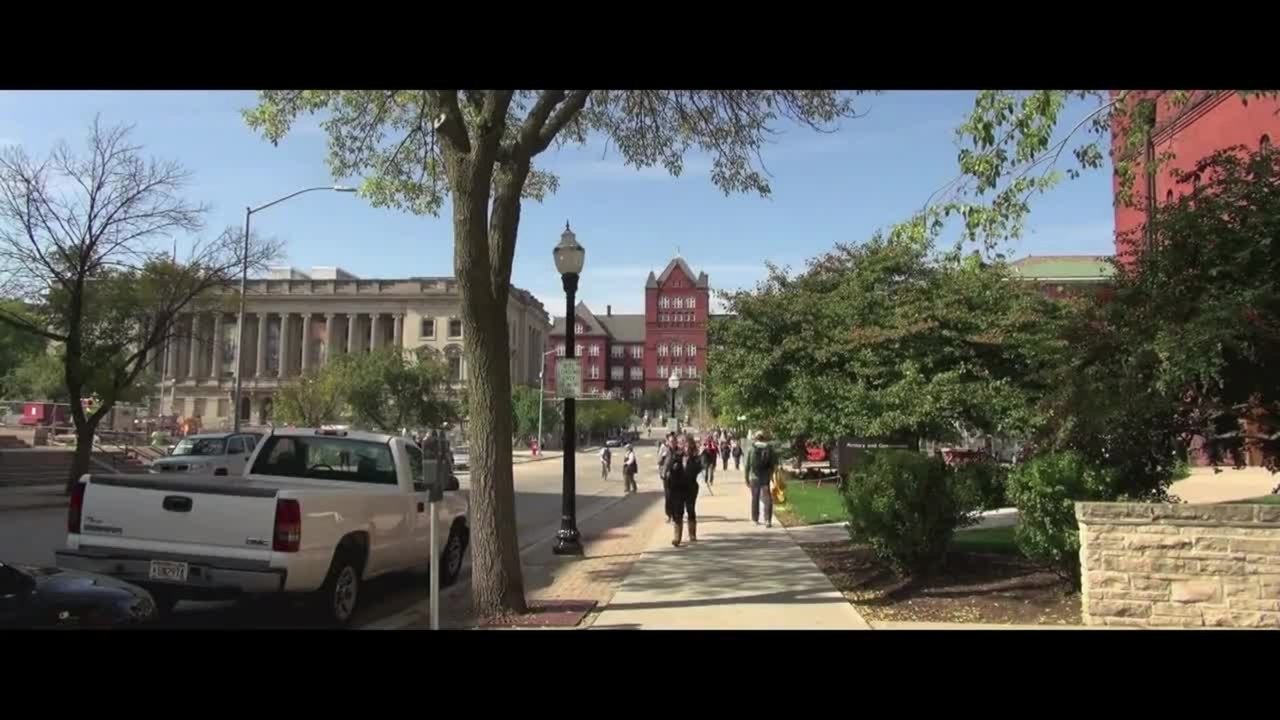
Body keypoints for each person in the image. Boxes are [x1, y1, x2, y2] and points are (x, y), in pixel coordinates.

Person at [664, 432, 703, 547]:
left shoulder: (695, 458)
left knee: (690, 510)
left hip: (690, 488)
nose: (684, 446)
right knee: (678, 512)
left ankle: (692, 534)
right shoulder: (676, 455)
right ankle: (677, 537)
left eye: (686, 444)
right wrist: (673, 466)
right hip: (678, 488)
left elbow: (699, 468)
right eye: (682, 444)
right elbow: (668, 467)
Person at [744, 430, 778, 528]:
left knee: (755, 498)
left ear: (755, 438)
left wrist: (746, 478)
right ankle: (768, 520)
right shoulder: (769, 448)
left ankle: (755, 519)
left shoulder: (751, 449)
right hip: (766, 477)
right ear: (764, 438)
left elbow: (747, 465)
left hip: (754, 477)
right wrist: (771, 475)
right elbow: (774, 464)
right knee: (767, 498)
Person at [658, 433, 677, 523]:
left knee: (675, 496)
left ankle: (674, 515)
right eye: (671, 441)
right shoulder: (665, 450)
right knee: (668, 496)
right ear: (668, 442)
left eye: (674, 441)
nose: (672, 443)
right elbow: (659, 462)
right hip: (667, 477)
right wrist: (662, 473)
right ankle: (669, 515)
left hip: (677, 476)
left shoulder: (678, 451)